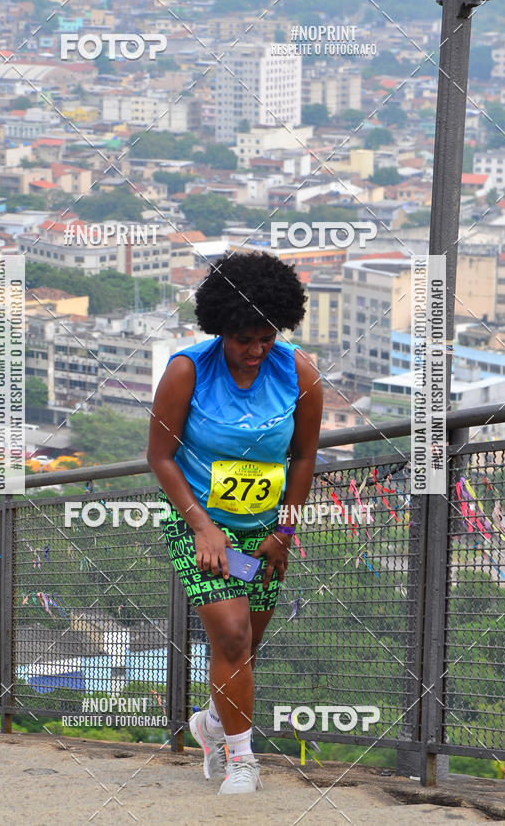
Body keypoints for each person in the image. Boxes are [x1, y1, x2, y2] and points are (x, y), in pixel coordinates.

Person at [147, 251, 323, 794]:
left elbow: (303, 457)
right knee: (229, 634)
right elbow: (159, 456)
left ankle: (212, 723)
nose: (256, 350)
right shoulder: (186, 371)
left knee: (245, 649)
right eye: (245, 338)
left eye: (267, 336)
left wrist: (284, 532)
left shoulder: (298, 372)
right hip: (199, 524)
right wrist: (202, 526)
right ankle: (241, 760)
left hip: (264, 532)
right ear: (221, 327)